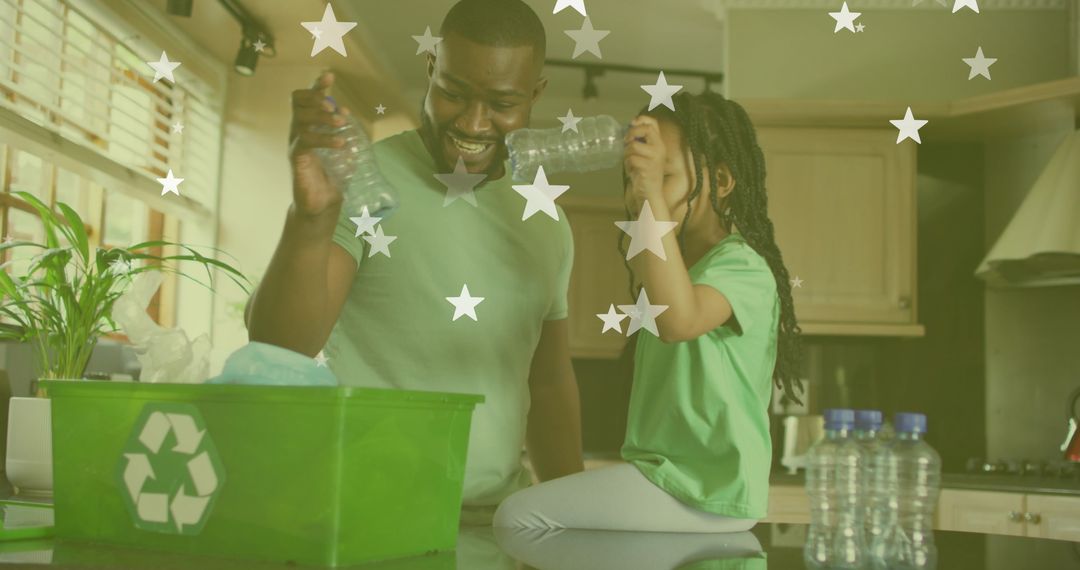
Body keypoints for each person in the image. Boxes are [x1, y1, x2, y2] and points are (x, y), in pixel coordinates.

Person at [245, 0, 583, 521]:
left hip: (490, 519)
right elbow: (278, 346)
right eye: (453, 92)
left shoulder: (547, 221)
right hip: (364, 511)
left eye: (502, 102)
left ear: (535, 93)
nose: (473, 122)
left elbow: (550, 383)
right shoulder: (362, 180)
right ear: (431, 67)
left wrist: (573, 514)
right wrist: (310, 218)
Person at [494, 91, 804, 533]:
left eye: (665, 176)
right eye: (632, 179)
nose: (638, 191)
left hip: (705, 490)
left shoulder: (743, 265)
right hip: (669, 482)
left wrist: (649, 191)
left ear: (720, 181)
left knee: (518, 517)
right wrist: (653, 188)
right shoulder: (676, 270)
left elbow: (679, 320)